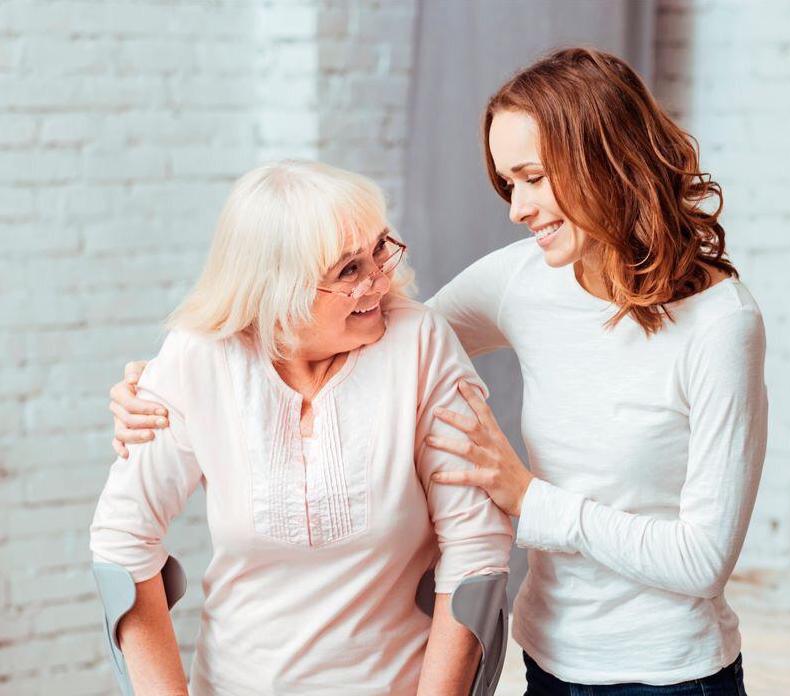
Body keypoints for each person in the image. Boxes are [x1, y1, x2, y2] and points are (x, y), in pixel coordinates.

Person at [109, 48, 767, 695]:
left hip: (671, 673)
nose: (516, 208)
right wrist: (174, 379)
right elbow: (385, 335)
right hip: (550, 659)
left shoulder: (720, 327)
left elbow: (701, 562)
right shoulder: (524, 279)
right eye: (508, 183)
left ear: (605, 157)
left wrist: (525, 496)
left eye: (533, 177)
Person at [90, 160, 513, 696]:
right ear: (277, 290)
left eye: (380, 249)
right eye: (349, 271)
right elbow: (122, 540)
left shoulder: (419, 345)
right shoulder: (199, 358)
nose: (379, 280)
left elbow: (476, 545)